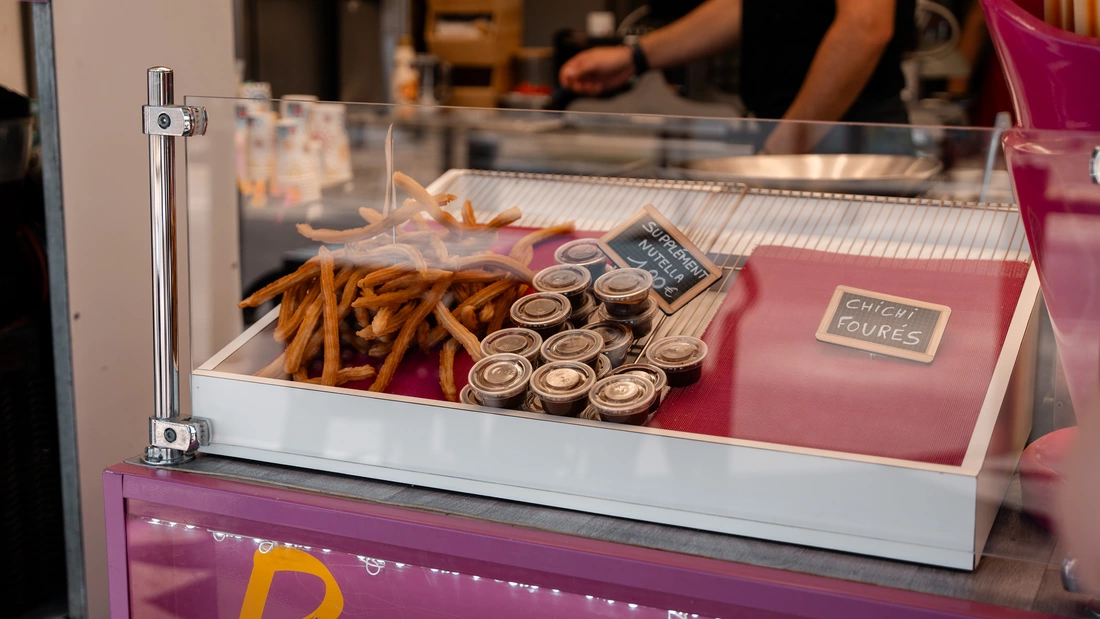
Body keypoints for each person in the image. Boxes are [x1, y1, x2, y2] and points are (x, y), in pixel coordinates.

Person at [560, 0, 915, 151]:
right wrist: (634, 57)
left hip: (852, 146)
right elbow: (745, 7)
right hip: (789, 139)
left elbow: (865, 26)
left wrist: (783, 149)